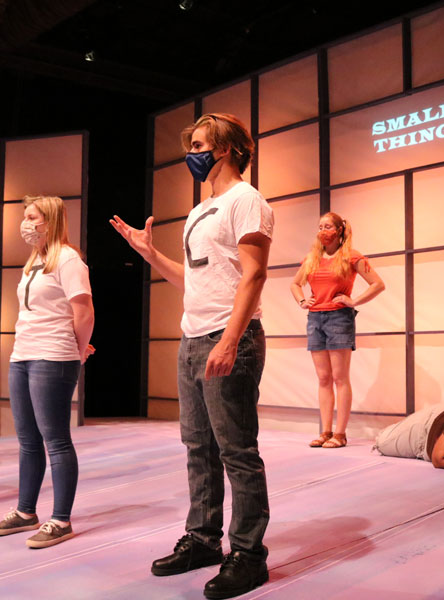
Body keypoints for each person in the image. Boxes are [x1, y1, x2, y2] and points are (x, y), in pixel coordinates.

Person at [111, 113, 273, 599]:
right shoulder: (203, 208)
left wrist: (228, 339)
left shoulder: (247, 201)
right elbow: (195, 279)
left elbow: (255, 275)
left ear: (224, 149)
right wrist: (150, 254)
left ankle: (248, 554)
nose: (192, 153)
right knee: (198, 447)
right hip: (191, 339)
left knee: (237, 451)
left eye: (200, 144)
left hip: (230, 339)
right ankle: (203, 540)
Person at [0, 195, 94, 549]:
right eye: (25, 216)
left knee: (56, 439)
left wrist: (77, 351)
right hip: (23, 354)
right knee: (27, 440)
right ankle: (25, 511)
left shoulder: (68, 258)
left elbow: (83, 311)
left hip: (53, 355)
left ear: (50, 220)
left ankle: (61, 519)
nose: (26, 223)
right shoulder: (35, 260)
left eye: (32, 217)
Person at [289, 213, 385, 449]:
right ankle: (325, 431)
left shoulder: (351, 256)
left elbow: (378, 284)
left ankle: (340, 434)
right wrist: (302, 301)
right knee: (323, 378)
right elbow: (295, 283)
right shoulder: (312, 258)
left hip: (339, 318)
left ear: (340, 230)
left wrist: (354, 301)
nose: (323, 230)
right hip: (315, 319)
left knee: (339, 377)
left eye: (328, 226)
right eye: (320, 226)